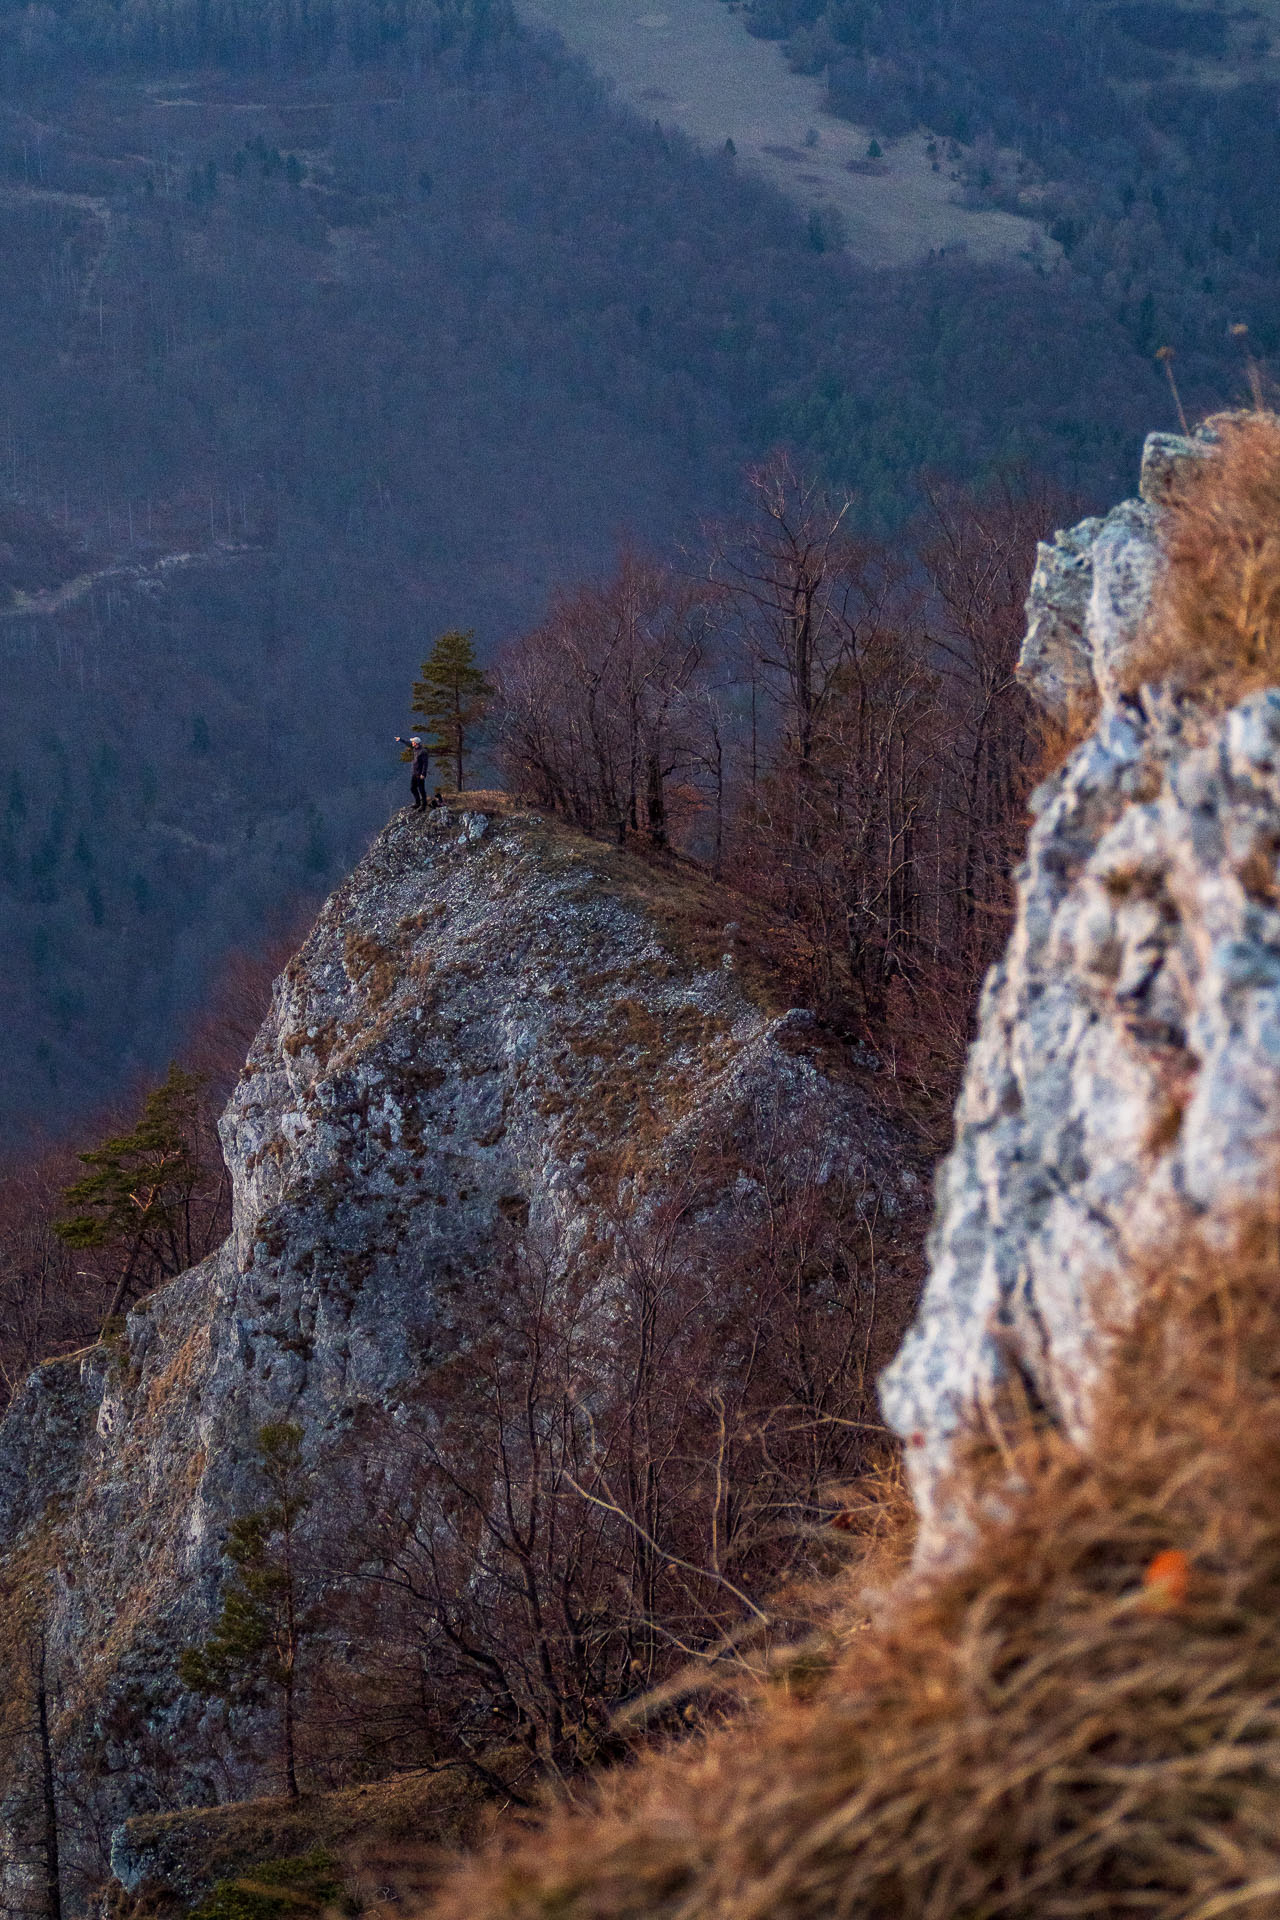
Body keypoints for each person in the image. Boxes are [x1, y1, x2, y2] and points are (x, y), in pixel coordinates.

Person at [395, 735, 431, 811]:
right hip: (415, 773)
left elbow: (425, 763)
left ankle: (423, 805)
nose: (412, 743)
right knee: (413, 788)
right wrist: (401, 739)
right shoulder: (415, 748)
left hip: (420, 774)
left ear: (416, 743)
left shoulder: (423, 751)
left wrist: (423, 774)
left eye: (413, 742)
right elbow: (408, 743)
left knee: (421, 789)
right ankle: (417, 803)